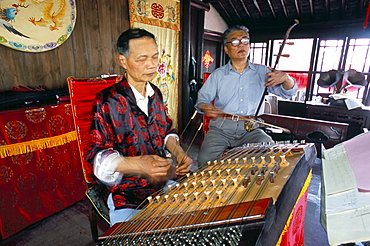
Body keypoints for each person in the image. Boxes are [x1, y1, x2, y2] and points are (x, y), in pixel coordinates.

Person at [86, 28, 193, 226]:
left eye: (154, 57)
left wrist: (178, 153)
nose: (151, 65)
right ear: (123, 61)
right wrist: (139, 164)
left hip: (163, 183)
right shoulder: (107, 101)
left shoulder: (156, 94)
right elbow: (99, 158)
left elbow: (166, 131)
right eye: (142, 59)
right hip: (128, 193)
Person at [195, 25, 297, 167]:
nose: (241, 45)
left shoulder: (263, 72)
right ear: (226, 49)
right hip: (221, 129)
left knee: (271, 154)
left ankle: (249, 187)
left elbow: (288, 93)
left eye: (245, 41)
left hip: (252, 128)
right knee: (204, 160)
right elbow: (201, 100)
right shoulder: (218, 75)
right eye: (235, 42)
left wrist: (287, 78)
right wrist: (206, 107)